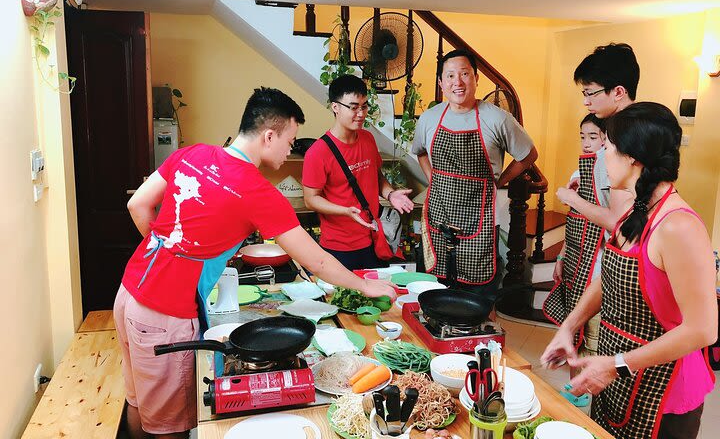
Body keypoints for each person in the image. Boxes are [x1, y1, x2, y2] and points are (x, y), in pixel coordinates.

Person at [114, 87, 397, 439]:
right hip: (164, 315)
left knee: (139, 404)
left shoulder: (193, 153)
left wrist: (172, 251)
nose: (291, 148)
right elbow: (317, 261)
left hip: (129, 293)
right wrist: (367, 284)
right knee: (167, 428)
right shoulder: (257, 191)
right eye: (290, 140)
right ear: (268, 136)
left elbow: (137, 206)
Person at [541, 102, 717, 439]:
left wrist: (617, 364)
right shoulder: (637, 211)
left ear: (633, 157)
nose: (601, 157)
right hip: (618, 376)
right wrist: (569, 326)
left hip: (664, 391)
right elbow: (609, 279)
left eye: (606, 147)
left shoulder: (678, 226)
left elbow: (703, 329)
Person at [411, 50, 537, 294]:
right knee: (435, 290)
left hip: (479, 217)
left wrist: (499, 181)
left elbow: (528, 155)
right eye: (450, 76)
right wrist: (433, 179)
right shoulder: (429, 118)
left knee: (476, 297)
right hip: (440, 214)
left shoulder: (498, 119)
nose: (457, 82)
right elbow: (421, 152)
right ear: (441, 83)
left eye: (464, 74)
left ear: (476, 78)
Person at [302, 74, 414, 270]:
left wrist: (390, 193)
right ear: (335, 107)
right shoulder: (318, 152)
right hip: (338, 247)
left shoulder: (367, 138)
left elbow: (374, 174)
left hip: (372, 240)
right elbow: (310, 199)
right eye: (353, 107)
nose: (361, 113)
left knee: (376, 298)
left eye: (364, 106)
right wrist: (344, 211)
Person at [543, 114, 607, 406]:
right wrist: (561, 254)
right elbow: (574, 220)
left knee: (592, 328)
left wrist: (572, 200)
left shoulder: (609, 174)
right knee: (574, 327)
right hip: (576, 259)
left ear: (607, 139)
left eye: (593, 137)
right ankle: (574, 385)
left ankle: (586, 391)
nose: (586, 142)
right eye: (583, 136)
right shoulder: (578, 171)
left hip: (599, 265)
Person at [556, 43, 639, 231]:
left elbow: (616, 220)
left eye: (590, 93)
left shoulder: (626, 134)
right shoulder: (621, 126)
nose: (586, 101)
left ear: (618, 92)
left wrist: (572, 200)